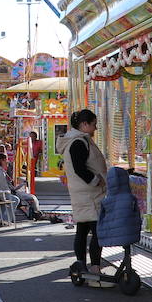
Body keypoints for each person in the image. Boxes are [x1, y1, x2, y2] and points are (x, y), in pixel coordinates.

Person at [58, 109, 107, 273]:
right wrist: (97, 180)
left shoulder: (78, 140)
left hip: (84, 194)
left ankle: (81, 264)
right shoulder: (78, 142)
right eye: (93, 125)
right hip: (90, 195)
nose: (95, 129)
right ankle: (94, 267)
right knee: (97, 231)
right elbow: (80, 168)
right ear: (84, 124)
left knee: (83, 230)